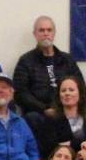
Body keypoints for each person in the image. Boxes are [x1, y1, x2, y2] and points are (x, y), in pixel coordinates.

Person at [13, 15, 84, 143]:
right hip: (40, 113)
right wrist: (45, 108)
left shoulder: (67, 59)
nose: (46, 34)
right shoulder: (26, 61)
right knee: (32, 118)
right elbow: (20, 93)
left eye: (49, 30)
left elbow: (80, 86)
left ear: (54, 33)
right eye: (41, 30)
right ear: (35, 34)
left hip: (68, 110)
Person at [38, 77, 86, 160]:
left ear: (80, 93)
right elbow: (50, 149)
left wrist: (68, 144)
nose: (67, 93)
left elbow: (63, 146)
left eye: (71, 90)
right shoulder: (51, 118)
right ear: (59, 95)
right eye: (63, 90)